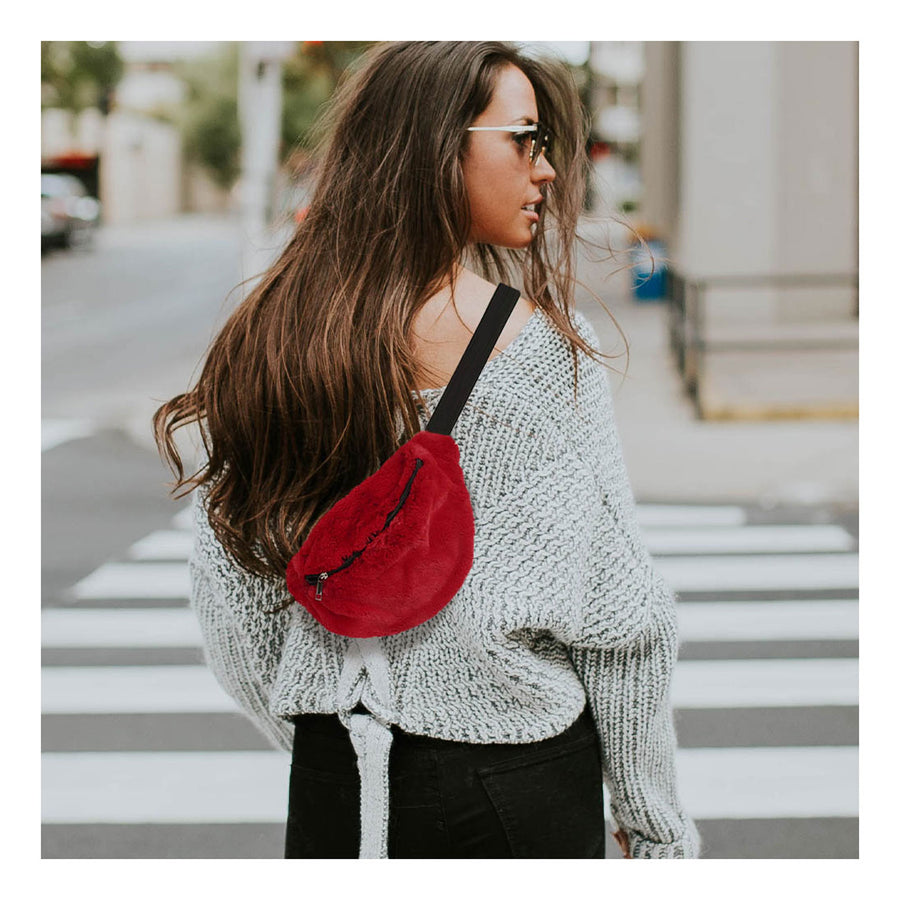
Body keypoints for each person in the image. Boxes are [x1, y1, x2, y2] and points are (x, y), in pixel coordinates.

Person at [154, 40, 701, 860]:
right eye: (526, 139)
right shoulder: (539, 352)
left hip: (338, 783)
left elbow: (233, 597)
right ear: (440, 146)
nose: (547, 170)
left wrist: (331, 729)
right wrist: (655, 829)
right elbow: (623, 619)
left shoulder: (278, 337)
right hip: (514, 782)